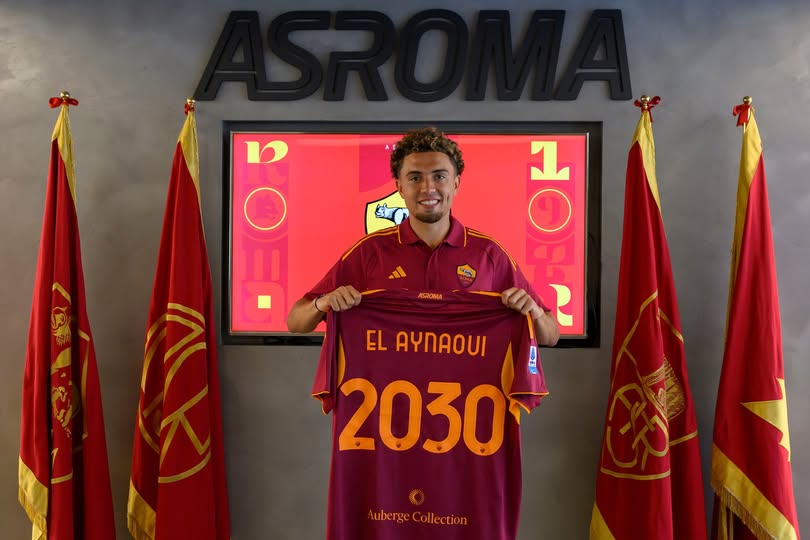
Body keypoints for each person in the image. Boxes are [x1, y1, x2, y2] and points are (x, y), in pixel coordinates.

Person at [286, 126, 560, 347]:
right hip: (388, 398)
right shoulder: (370, 251)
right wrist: (323, 303)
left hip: (470, 398)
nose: (428, 188)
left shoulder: (489, 254)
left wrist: (533, 312)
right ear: (400, 187)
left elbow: (550, 336)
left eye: (439, 176)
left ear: (456, 183)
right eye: (415, 178)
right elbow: (296, 321)